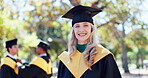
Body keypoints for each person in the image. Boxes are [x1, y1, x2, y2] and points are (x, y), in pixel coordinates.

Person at [57, 5, 122, 78]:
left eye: (85, 25)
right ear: (73, 30)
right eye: (77, 26)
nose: (81, 30)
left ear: (91, 29)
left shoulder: (104, 57)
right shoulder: (65, 58)